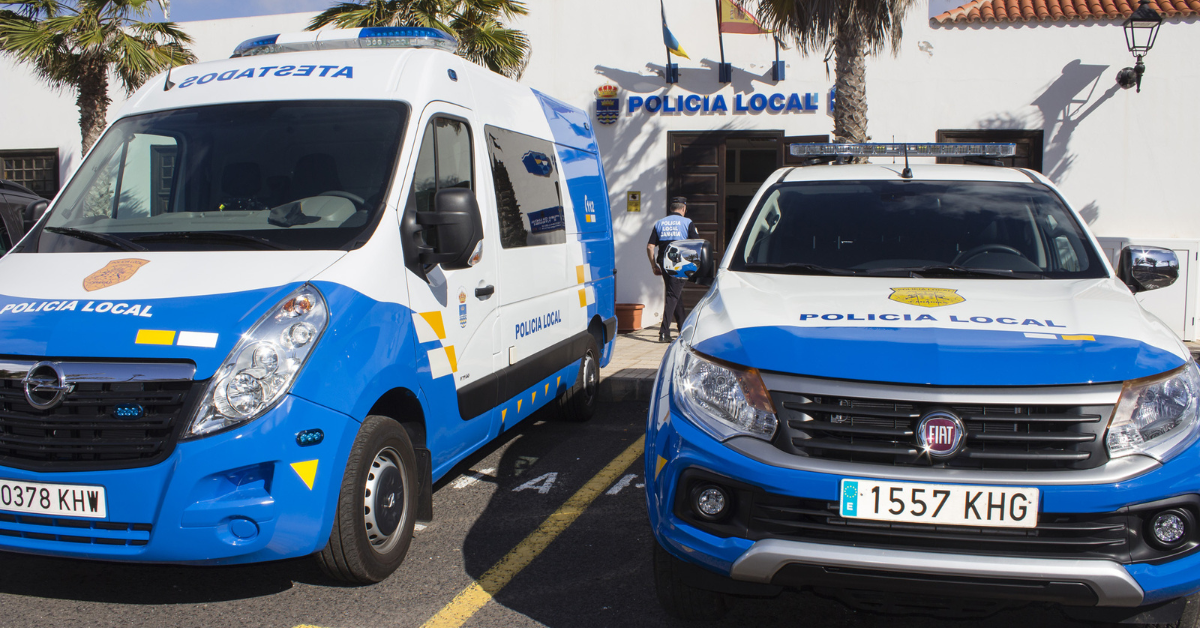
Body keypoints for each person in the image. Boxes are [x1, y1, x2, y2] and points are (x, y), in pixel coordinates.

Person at [646, 196, 699, 342]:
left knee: (674, 293)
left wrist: (653, 265)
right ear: (683, 208)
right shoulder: (687, 222)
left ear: (671, 209)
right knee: (672, 295)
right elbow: (696, 243)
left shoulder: (660, 223)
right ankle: (664, 333)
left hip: (663, 262)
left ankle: (682, 327)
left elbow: (650, 246)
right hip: (678, 263)